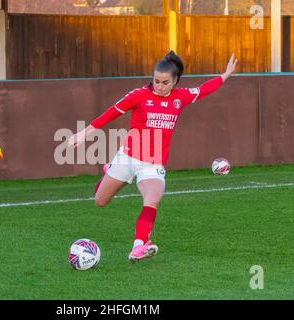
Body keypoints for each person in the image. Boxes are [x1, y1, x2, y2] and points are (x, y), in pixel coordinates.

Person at [68, 51, 238, 262]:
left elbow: (204, 90)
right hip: (127, 158)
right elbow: (111, 113)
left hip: (152, 165)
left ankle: (138, 246)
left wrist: (226, 74)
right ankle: (109, 172)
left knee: (152, 199)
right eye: (156, 81)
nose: (159, 85)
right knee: (100, 201)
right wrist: (84, 133)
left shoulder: (180, 97)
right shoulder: (138, 95)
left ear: (175, 81)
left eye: (165, 82)